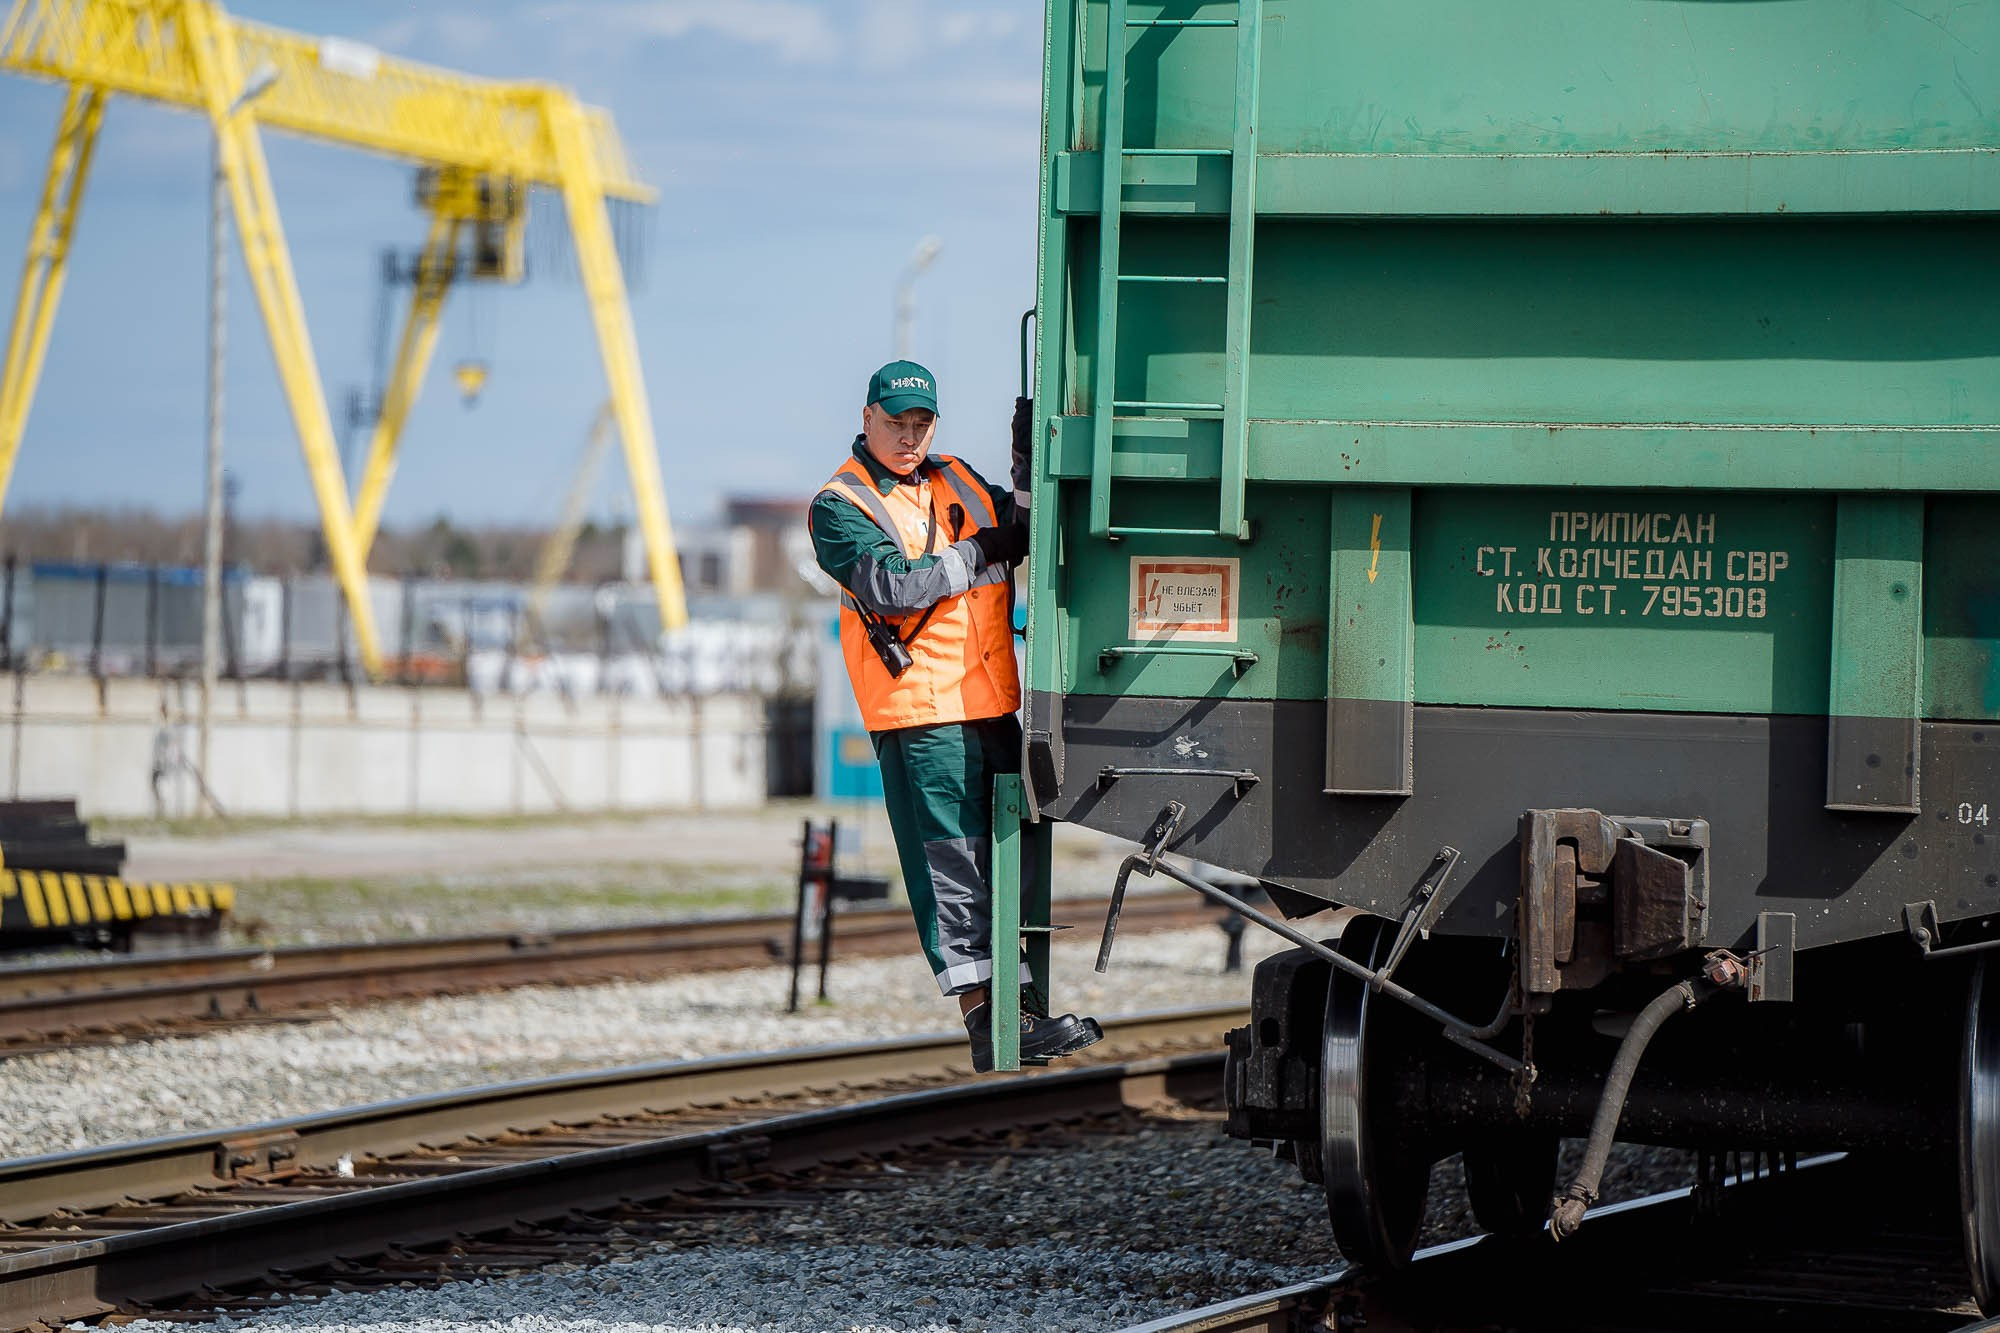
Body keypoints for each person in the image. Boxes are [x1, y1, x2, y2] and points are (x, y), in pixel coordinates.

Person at [808, 359, 1101, 1072]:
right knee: (953, 870)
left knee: (1010, 862)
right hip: (921, 715)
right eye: (896, 423)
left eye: (922, 424)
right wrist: (979, 550)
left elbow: (1026, 529)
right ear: (868, 418)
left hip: (992, 705)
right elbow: (893, 586)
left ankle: (1020, 1013)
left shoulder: (960, 479)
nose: (909, 437)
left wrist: (1030, 463)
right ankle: (986, 1022)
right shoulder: (840, 504)